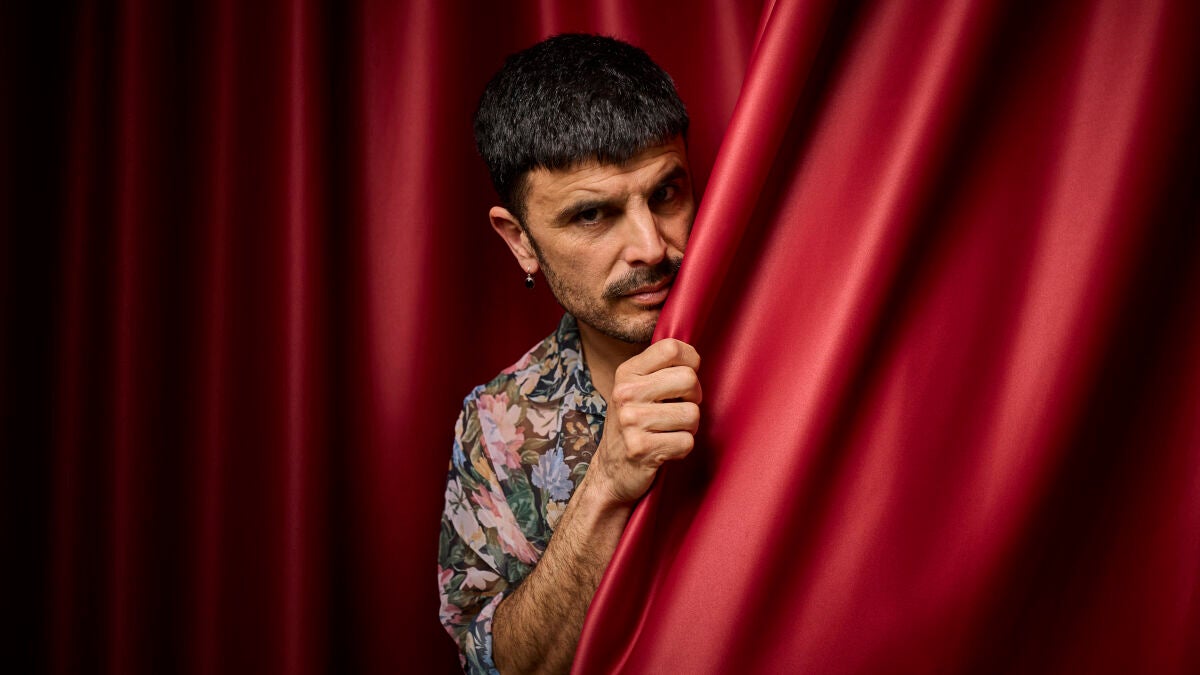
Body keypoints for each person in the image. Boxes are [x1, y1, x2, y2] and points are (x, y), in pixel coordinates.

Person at [437, 34, 703, 674]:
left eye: (666, 193)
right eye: (592, 215)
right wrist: (606, 484)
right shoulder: (497, 426)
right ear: (520, 241)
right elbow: (501, 668)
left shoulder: (803, 345)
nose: (651, 246)